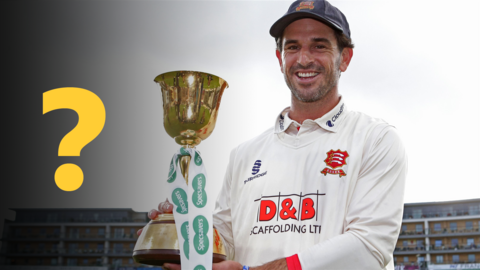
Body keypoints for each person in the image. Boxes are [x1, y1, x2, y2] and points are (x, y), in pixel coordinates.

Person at [141, 0, 407, 269]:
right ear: (280, 59)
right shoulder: (243, 155)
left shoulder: (376, 140)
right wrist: (182, 231)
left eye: (319, 46)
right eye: (292, 47)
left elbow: (367, 249)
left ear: (345, 58)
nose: (304, 59)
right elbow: (226, 246)